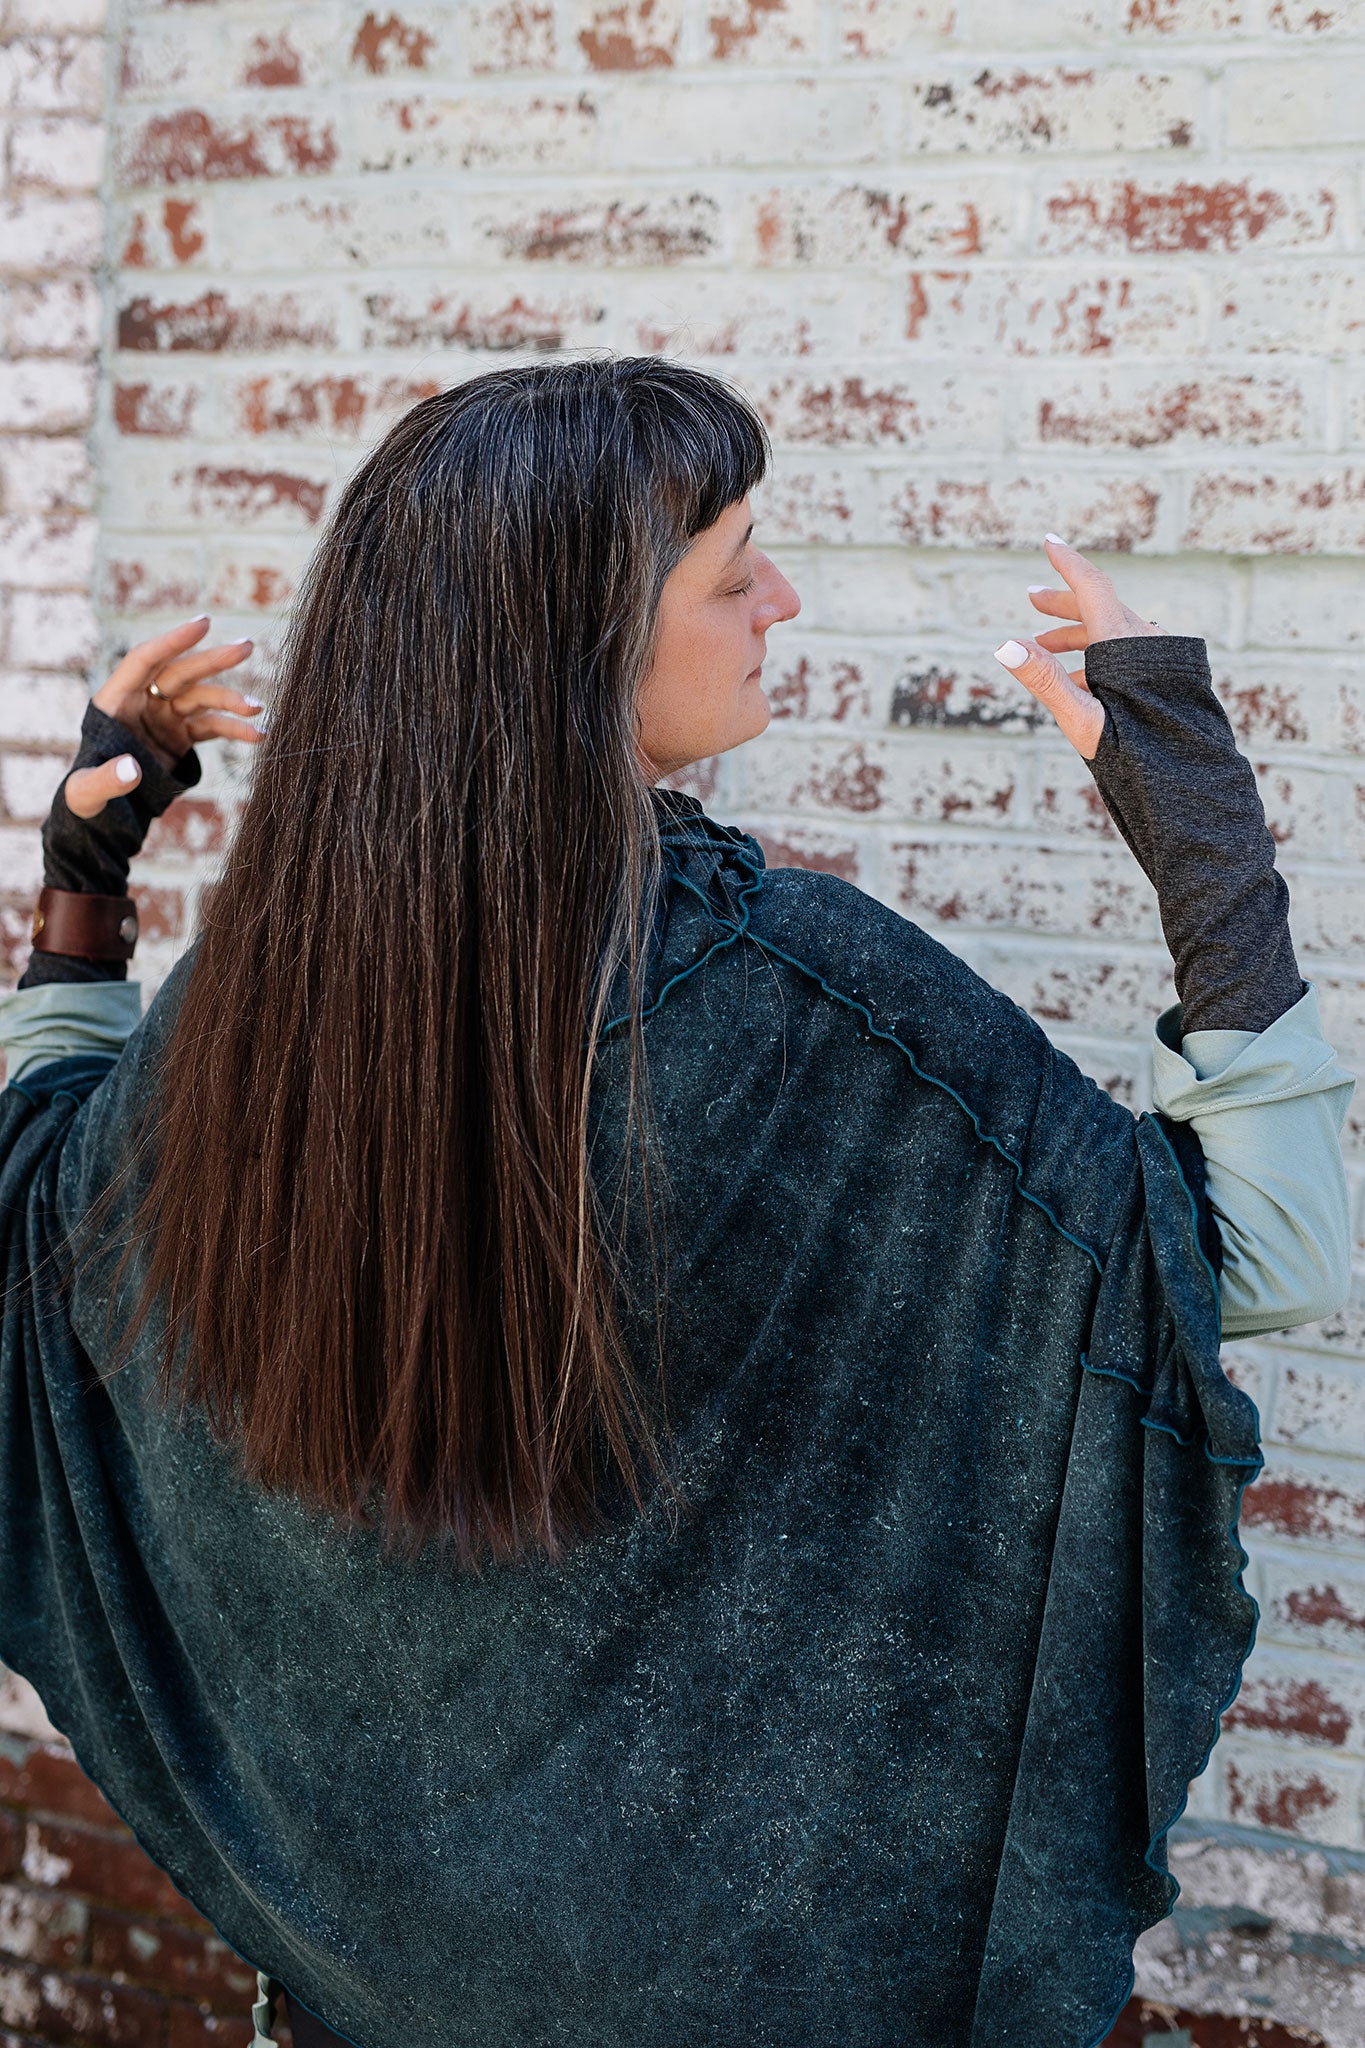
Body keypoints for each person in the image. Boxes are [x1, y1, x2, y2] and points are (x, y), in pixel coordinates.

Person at [0, 356, 1352, 2048]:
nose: (778, 601)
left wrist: (85, 879)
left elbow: (39, 1222)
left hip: (369, 1982)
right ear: (579, 648)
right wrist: (1200, 826)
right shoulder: (802, 998)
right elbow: (1260, 1253)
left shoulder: (264, 1000)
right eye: (731, 573)